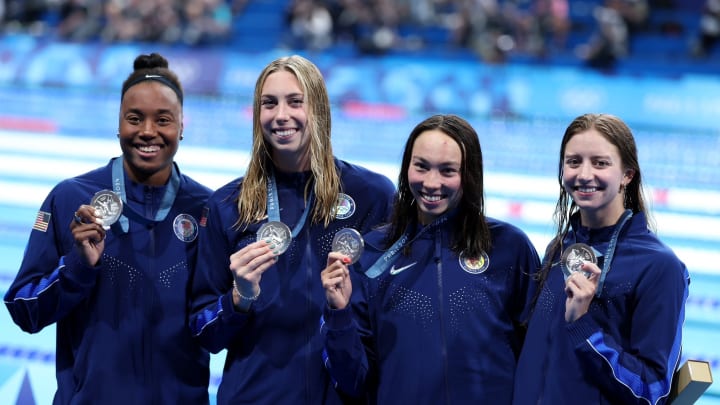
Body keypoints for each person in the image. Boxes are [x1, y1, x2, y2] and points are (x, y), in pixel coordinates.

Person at [3, 53, 213, 404]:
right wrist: (77, 267)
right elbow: (24, 309)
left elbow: (216, 326)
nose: (148, 131)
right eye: (135, 119)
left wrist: (244, 295)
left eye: (163, 120)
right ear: (119, 124)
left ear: (181, 127)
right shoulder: (70, 197)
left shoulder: (207, 209)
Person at [188, 54, 396, 404]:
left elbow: (387, 322)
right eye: (269, 103)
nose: (281, 115)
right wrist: (237, 299)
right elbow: (204, 333)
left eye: (295, 101)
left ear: (319, 109)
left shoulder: (372, 196)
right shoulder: (228, 205)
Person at [320, 114, 541, 403]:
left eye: (447, 171)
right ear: (406, 167)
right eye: (421, 166)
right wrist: (339, 314)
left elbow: (537, 359)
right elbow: (353, 381)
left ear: (470, 175)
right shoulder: (372, 255)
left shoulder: (509, 248)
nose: (431, 182)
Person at [512, 113, 689, 404]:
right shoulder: (559, 248)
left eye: (600, 163)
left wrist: (583, 325)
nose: (583, 175)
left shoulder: (659, 267)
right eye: (573, 161)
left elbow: (652, 390)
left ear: (627, 175)